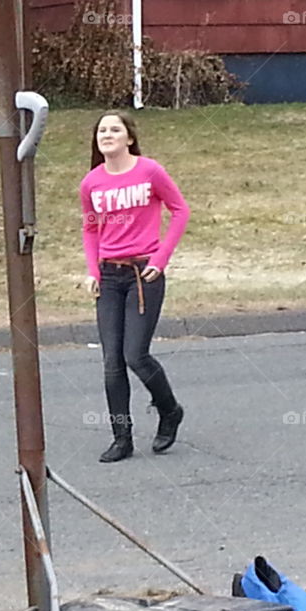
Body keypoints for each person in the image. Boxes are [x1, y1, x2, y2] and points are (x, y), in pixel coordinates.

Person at [80, 112, 190, 463]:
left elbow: (180, 210)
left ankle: (169, 410)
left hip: (145, 274)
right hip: (110, 278)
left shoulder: (149, 171)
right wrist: (92, 271)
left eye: (115, 129)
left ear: (129, 138)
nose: (107, 134)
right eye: (102, 130)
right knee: (112, 361)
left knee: (135, 356)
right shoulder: (91, 183)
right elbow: (91, 228)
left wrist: (160, 259)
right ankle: (122, 437)